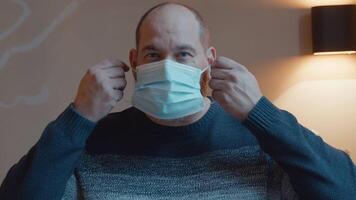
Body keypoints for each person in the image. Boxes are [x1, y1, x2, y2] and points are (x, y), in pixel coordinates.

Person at [1, 2, 355, 200]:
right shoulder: (93, 140)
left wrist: (262, 114)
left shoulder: (260, 140)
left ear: (208, 60)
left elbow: (345, 190)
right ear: (134, 61)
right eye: (153, 54)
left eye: (184, 54)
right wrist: (79, 116)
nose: (167, 68)